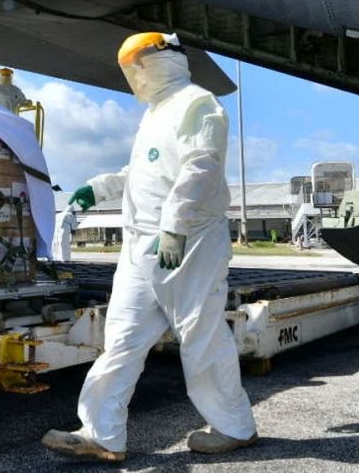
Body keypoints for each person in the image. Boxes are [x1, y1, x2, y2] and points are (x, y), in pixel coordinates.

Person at [42, 32, 257, 462]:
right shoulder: (155, 113)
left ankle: (234, 426)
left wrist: (175, 226)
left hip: (190, 242)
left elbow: (201, 167)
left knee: (202, 337)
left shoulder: (198, 103)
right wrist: (98, 188)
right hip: (142, 247)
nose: (133, 74)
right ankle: (101, 434)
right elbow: (143, 172)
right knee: (121, 339)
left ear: (163, 60)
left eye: (138, 64)